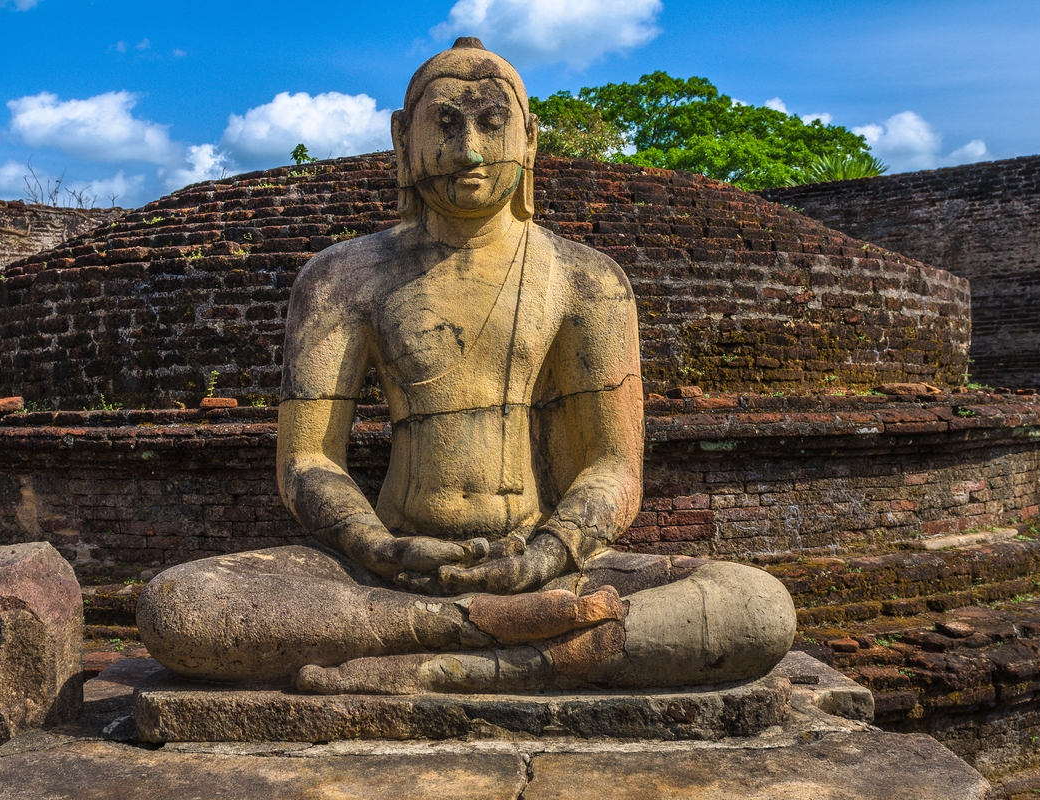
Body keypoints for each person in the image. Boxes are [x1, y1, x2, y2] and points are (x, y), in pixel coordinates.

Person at [136, 39, 795, 693]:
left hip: (544, 565)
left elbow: (615, 466)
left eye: (491, 123)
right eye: (445, 125)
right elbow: (307, 461)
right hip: (387, 573)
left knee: (757, 607)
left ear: (529, 139)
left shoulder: (585, 280)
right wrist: (374, 543)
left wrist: (549, 551)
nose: (469, 151)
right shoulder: (343, 278)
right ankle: (488, 638)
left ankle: (446, 655)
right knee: (182, 606)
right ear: (403, 139)